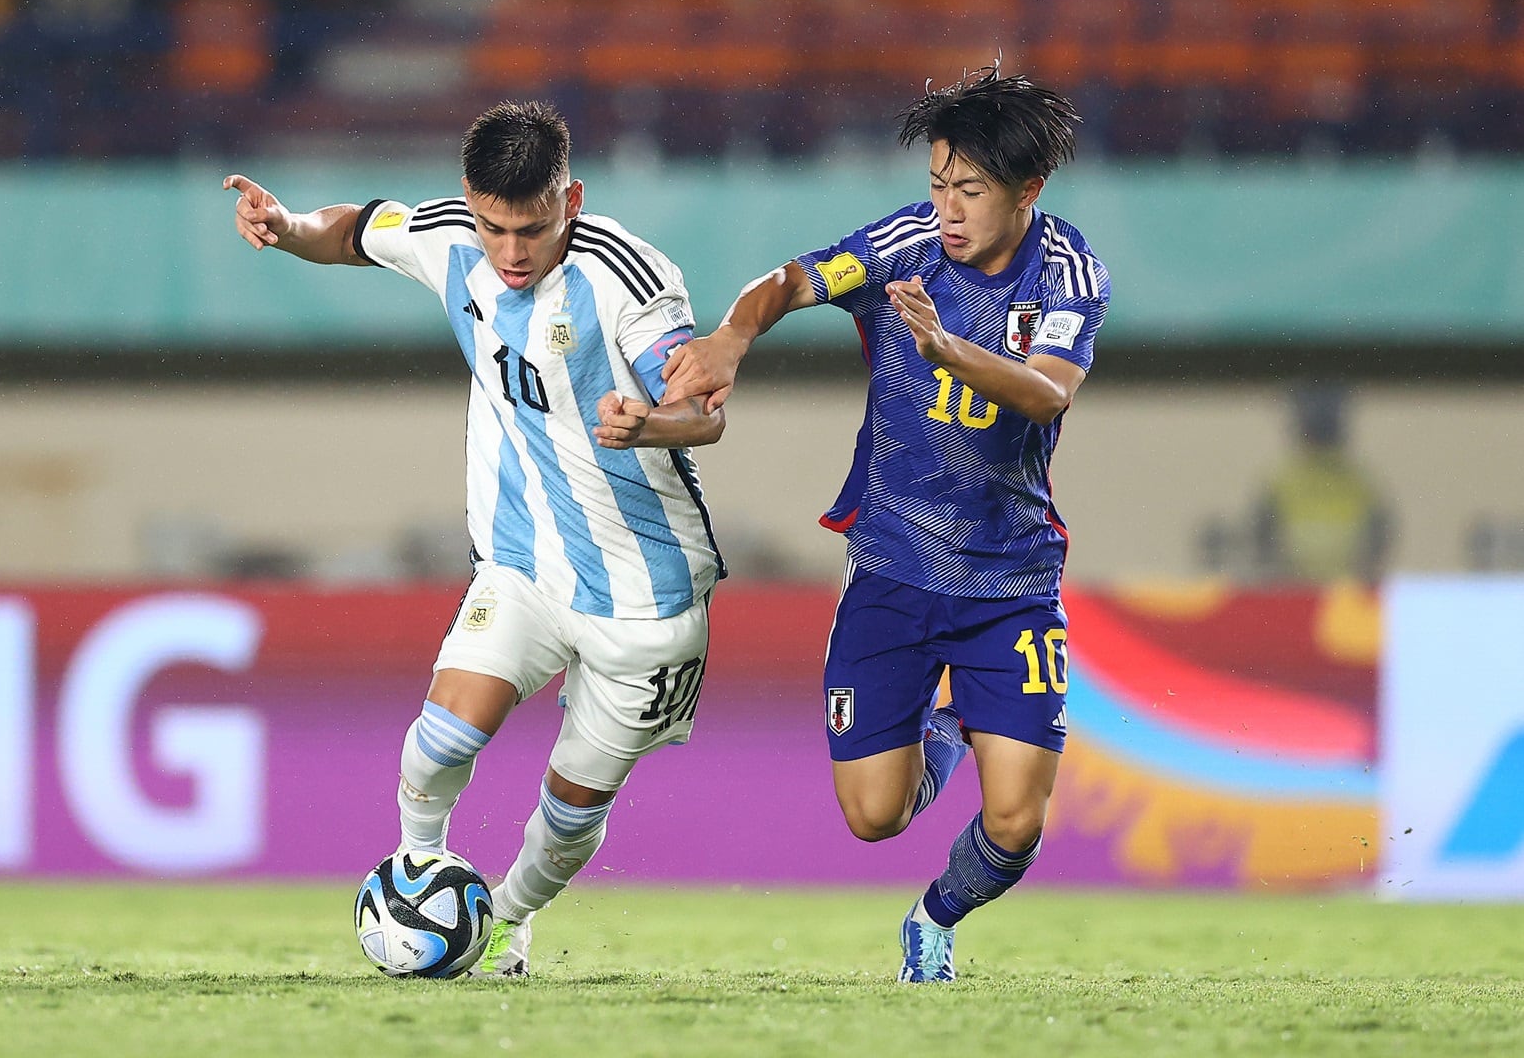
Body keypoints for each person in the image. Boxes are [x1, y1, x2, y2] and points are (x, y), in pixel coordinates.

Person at [225, 100, 725, 977]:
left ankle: (511, 919)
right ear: (469, 200)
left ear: (569, 199)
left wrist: (650, 423)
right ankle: (421, 877)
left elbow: (703, 411)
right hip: (522, 564)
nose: (510, 253)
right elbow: (353, 232)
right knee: (440, 739)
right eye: (494, 228)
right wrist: (290, 225)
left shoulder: (629, 277)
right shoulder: (451, 235)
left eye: (531, 229)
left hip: (647, 596)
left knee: (570, 807)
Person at [663, 66, 1108, 984]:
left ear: (1028, 192)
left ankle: (934, 920)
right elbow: (786, 281)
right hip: (893, 570)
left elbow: (1045, 392)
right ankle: (949, 727)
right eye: (938, 184)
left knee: (1017, 822)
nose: (946, 208)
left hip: (1010, 582)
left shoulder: (1068, 273)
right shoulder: (902, 246)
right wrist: (734, 337)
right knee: (872, 815)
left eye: (970, 191)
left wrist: (948, 346)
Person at [1252, 382, 1391, 583]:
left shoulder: (1363, 487)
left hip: (1342, 601)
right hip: (1301, 599)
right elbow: (1265, 554)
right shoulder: (1276, 486)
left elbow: (1376, 553)